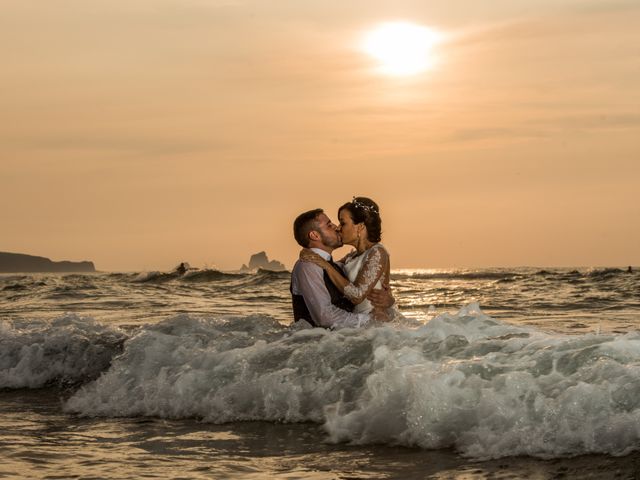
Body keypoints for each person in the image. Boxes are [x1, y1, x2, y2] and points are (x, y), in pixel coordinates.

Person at [290, 207, 394, 329]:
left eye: (342, 223)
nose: (337, 227)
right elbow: (324, 317)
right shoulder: (307, 266)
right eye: (329, 225)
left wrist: (389, 301)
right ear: (315, 235)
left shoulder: (336, 265)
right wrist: (370, 320)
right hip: (317, 343)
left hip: (344, 339)